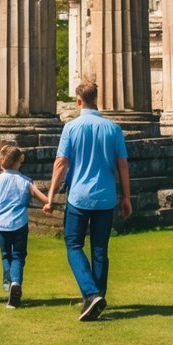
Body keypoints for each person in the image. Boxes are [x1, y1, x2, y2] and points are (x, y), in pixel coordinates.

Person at [43, 81, 131, 322]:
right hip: (105, 196)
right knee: (100, 249)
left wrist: (50, 196)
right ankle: (97, 297)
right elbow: (123, 165)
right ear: (97, 99)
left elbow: (60, 163)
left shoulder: (71, 128)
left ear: (78, 101)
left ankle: (91, 294)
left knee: (73, 245)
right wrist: (127, 197)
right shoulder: (113, 128)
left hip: (79, 197)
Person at [0, 144, 50, 309]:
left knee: (5, 255)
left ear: (0, 161)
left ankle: (7, 281)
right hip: (19, 224)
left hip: (1, 225)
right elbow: (41, 197)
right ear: (20, 161)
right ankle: (16, 283)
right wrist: (48, 204)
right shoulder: (25, 181)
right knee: (18, 256)